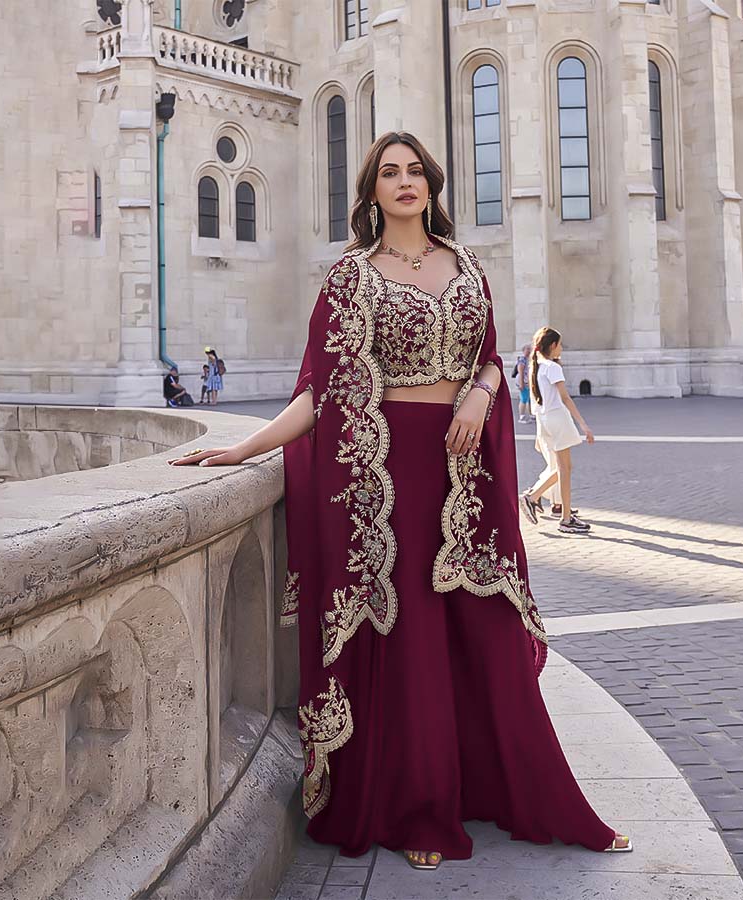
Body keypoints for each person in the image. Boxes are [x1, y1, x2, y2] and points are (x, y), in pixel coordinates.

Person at [169, 132, 630, 867]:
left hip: (463, 468)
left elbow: (486, 360)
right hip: (386, 476)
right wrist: (244, 450)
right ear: (372, 190)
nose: (405, 182)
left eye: (415, 171)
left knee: (482, 631)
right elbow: (321, 393)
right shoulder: (351, 277)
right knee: (411, 637)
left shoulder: (468, 266)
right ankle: (420, 810)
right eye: (390, 173)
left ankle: (522, 793)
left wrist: (481, 397)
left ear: (431, 184)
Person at [520, 327, 593, 535]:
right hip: (558, 418)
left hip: (545, 420)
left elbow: (536, 402)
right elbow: (565, 398)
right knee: (565, 469)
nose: (561, 348)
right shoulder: (552, 367)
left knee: (563, 468)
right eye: (560, 344)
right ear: (552, 346)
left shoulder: (537, 366)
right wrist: (584, 425)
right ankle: (562, 516)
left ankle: (547, 504)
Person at [515, 343, 533, 423]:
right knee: (524, 399)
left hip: (528, 382)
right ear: (523, 350)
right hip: (523, 382)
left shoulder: (529, 359)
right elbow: (521, 372)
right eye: (527, 349)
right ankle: (521, 417)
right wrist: (521, 383)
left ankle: (531, 414)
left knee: (529, 399)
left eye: (530, 349)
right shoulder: (522, 359)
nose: (529, 351)